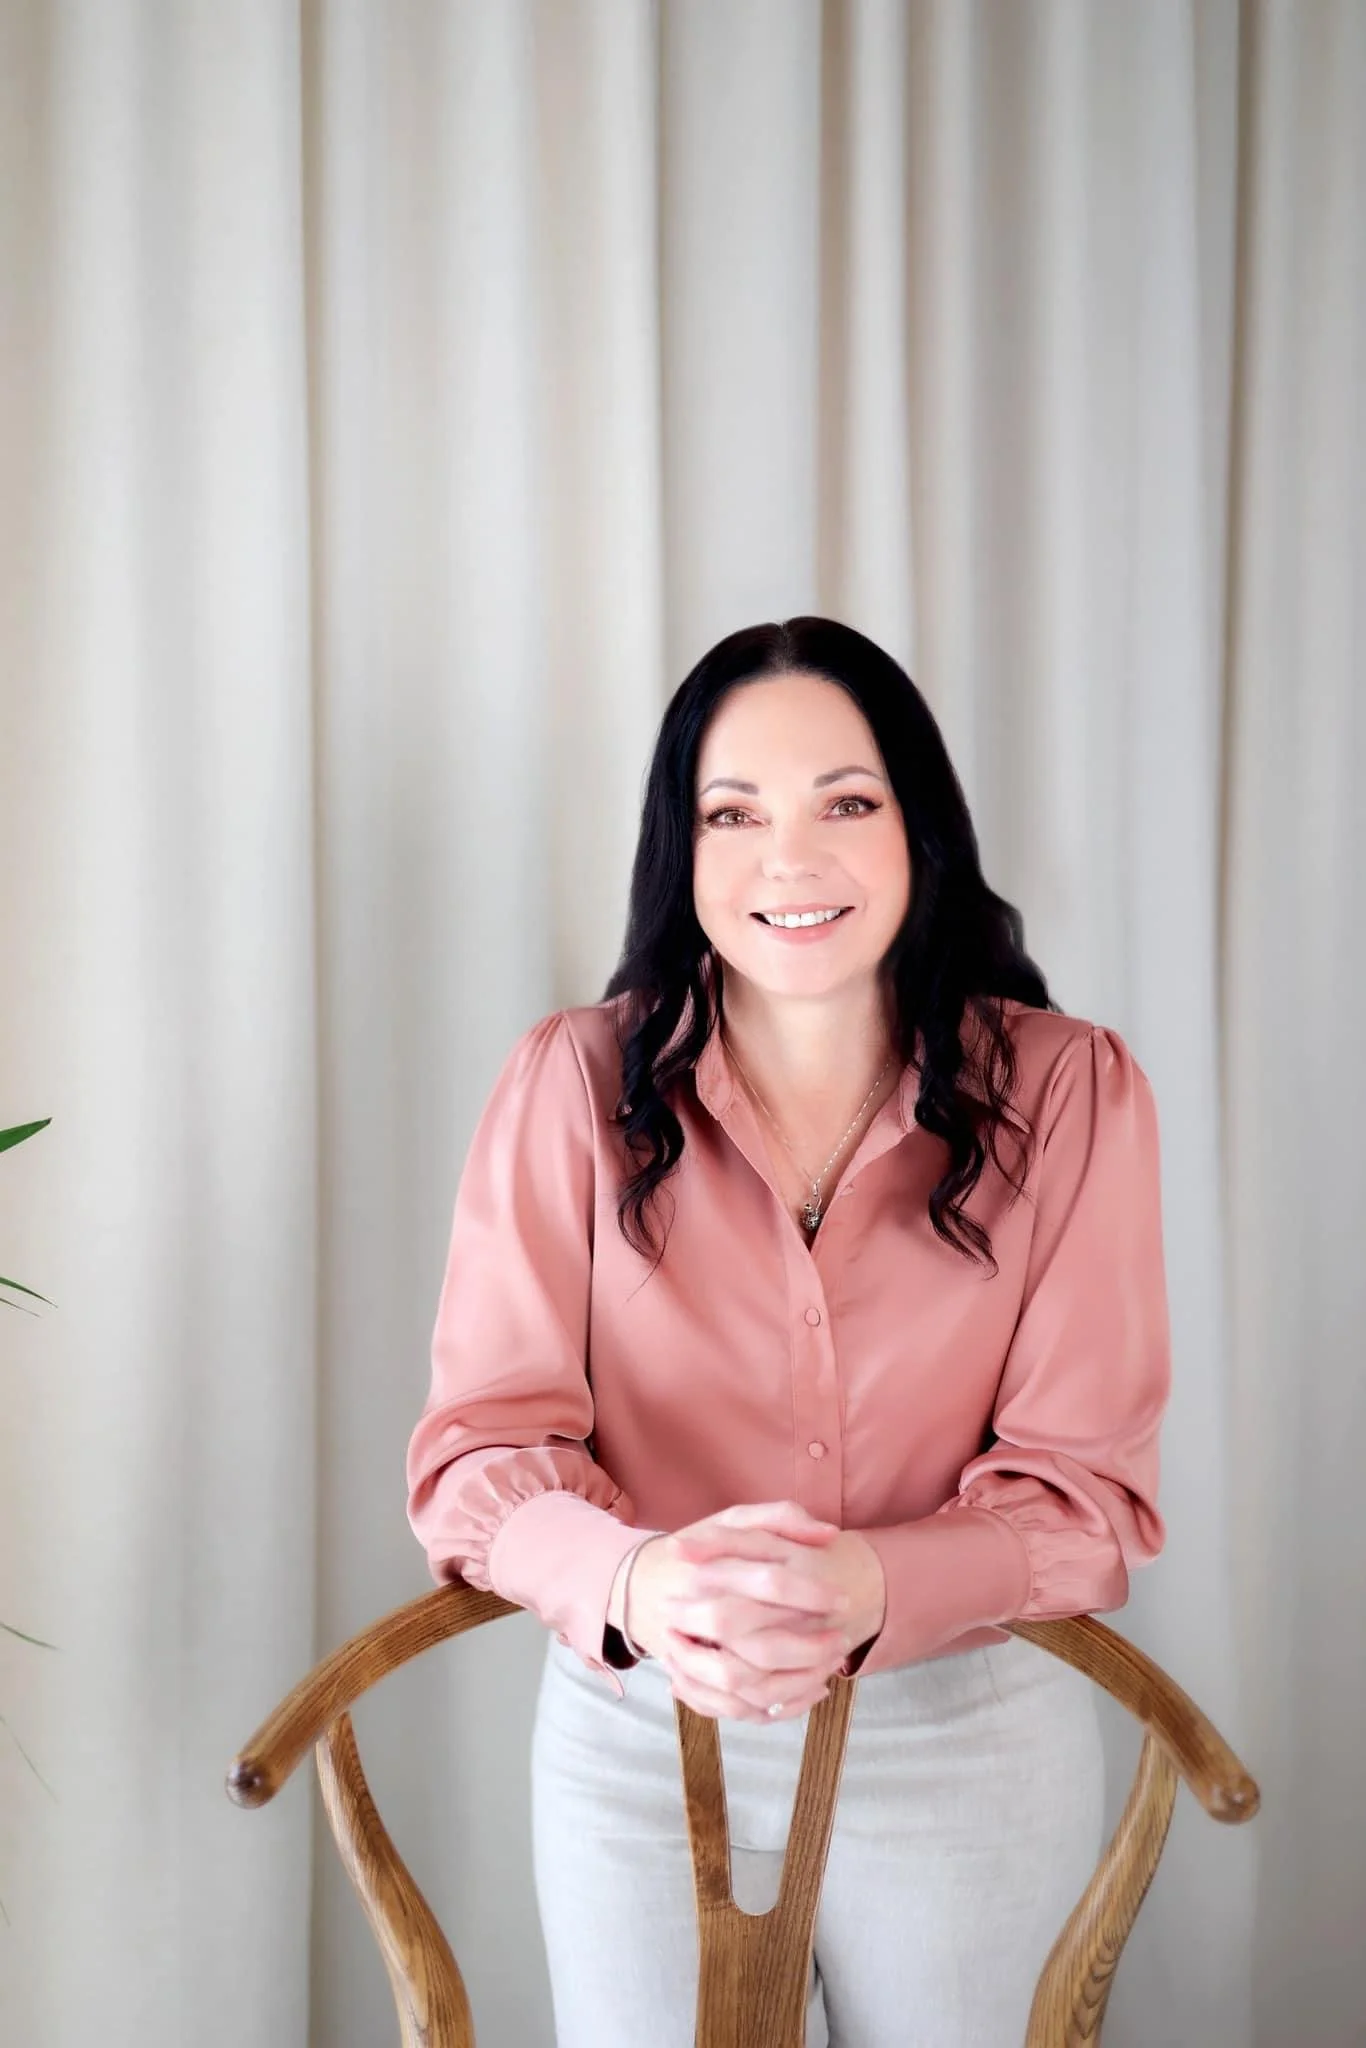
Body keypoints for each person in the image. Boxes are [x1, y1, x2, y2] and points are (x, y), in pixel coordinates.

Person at [405, 616, 1171, 2047]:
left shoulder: (1070, 1093)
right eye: (732, 813)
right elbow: (476, 1457)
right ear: (679, 851)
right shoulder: (566, 1085)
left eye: (846, 803)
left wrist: (869, 1584)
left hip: (968, 1727)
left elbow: (1087, 1504)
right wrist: (642, 1584)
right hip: (639, 1737)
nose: (789, 859)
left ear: (917, 829)